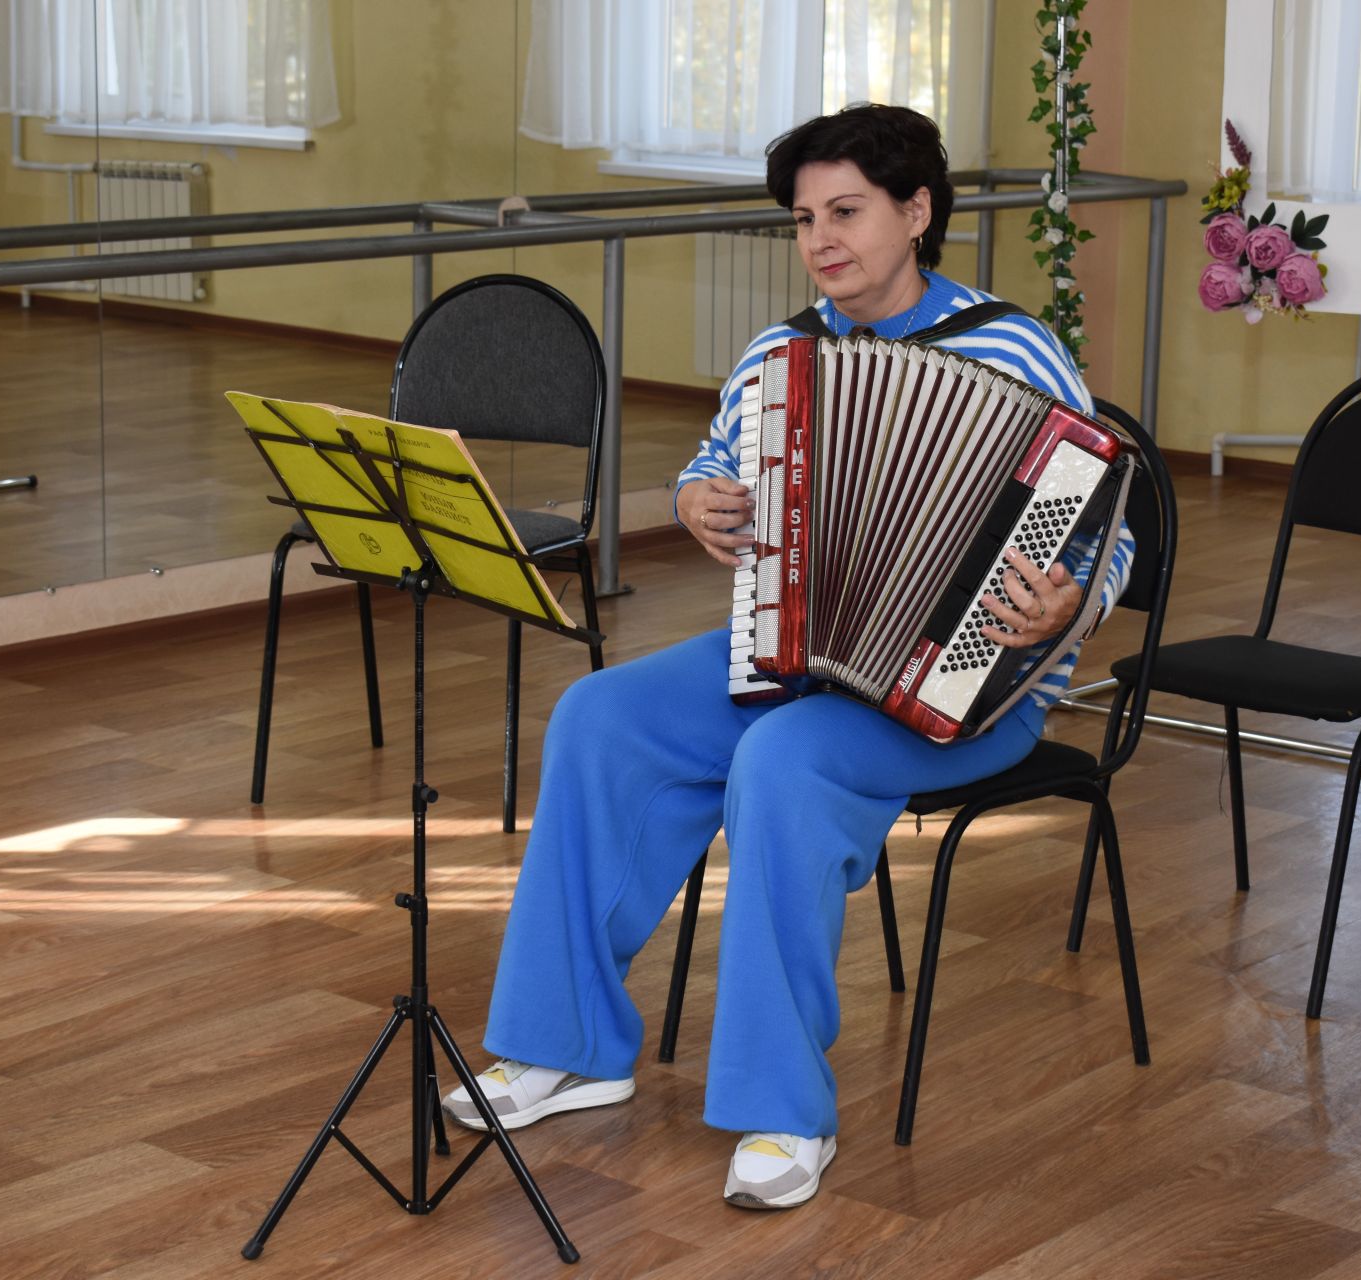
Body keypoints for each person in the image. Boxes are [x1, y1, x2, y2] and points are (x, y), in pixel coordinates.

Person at [446, 104, 1133, 1209]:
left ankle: (781, 1110)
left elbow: (1110, 530)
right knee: (599, 714)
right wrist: (696, 498)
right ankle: (568, 1042)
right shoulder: (781, 353)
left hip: (963, 688)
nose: (821, 237)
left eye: (847, 211)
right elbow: (715, 463)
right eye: (805, 217)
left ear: (916, 213)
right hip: (795, 650)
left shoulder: (1013, 348)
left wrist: (1064, 603)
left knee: (782, 762)